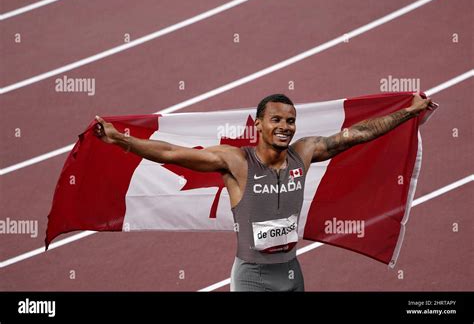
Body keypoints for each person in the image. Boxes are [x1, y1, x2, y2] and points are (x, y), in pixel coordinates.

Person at [94, 93, 436, 291]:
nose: (284, 127)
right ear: (258, 124)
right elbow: (171, 153)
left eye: (290, 121)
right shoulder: (236, 162)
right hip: (252, 278)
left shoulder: (304, 152)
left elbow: (356, 134)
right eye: (276, 120)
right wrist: (120, 139)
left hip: (291, 272)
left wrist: (407, 112)